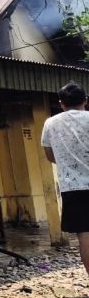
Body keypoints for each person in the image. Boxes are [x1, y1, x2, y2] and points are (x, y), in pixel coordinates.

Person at [41, 81, 89, 275]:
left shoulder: (50, 123)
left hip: (73, 187)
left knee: (85, 235)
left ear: (61, 103)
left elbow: (50, 156)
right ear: (85, 100)